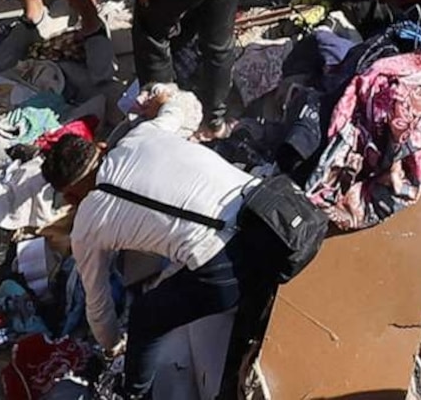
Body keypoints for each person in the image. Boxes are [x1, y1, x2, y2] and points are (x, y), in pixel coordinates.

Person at [49, 91, 287, 400]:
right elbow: (186, 104)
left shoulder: (85, 227)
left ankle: (129, 394)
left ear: (69, 198)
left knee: (146, 318)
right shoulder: (143, 134)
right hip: (272, 213)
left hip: (227, 264)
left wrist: (112, 346)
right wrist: (161, 100)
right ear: (101, 146)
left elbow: (98, 303)